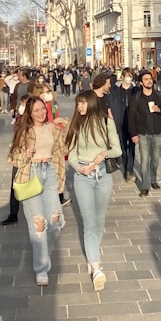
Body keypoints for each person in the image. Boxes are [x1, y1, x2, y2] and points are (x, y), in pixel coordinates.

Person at [4, 96, 69, 282]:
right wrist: (25, 154)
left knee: (55, 221)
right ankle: (41, 268)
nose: (41, 113)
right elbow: (12, 158)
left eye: (42, 109)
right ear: (30, 114)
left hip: (50, 173)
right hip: (31, 174)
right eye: (36, 111)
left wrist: (64, 121)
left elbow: (69, 142)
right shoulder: (24, 131)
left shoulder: (52, 128)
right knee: (38, 223)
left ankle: (44, 253)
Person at [66, 90, 120, 290]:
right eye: (77, 103)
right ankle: (96, 267)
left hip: (103, 175)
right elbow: (70, 153)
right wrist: (78, 168)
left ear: (90, 103)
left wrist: (103, 154)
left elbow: (117, 149)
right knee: (89, 222)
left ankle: (92, 254)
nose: (79, 107)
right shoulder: (76, 124)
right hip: (83, 176)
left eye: (82, 103)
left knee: (99, 219)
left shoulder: (106, 122)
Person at [127, 70, 161, 197]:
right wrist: (133, 134)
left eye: (150, 79)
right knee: (145, 159)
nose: (149, 81)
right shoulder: (137, 98)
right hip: (143, 132)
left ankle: (153, 179)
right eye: (146, 79)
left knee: (155, 159)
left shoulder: (158, 95)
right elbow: (131, 116)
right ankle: (145, 186)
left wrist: (159, 109)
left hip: (157, 131)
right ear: (141, 83)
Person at [109, 68, 138, 183]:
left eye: (130, 75)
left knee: (132, 147)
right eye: (127, 75)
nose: (129, 78)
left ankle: (129, 171)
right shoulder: (115, 90)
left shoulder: (136, 90)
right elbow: (110, 104)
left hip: (132, 123)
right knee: (122, 148)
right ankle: (126, 167)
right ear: (122, 77)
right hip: (120, 122)